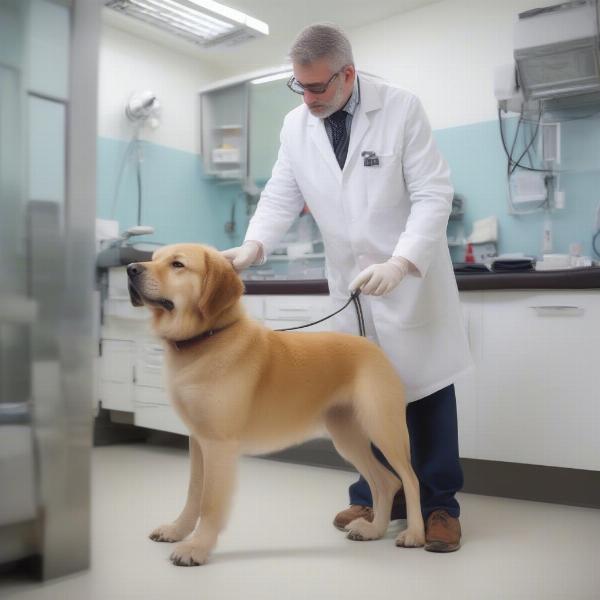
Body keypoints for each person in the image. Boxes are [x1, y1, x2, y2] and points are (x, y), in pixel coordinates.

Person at [222, 23, 472, 553]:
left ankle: (440, 507)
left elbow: (433, 193)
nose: (308, 98)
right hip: (351, 288)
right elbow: (281, 194)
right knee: (357, 395)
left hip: (407, 284)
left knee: (424, 391)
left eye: (317, 87)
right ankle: (374, 494)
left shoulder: (400, 108)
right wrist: (253, 247)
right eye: (299, 86)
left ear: (348, 74)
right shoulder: (295, 125)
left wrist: (402, 262)